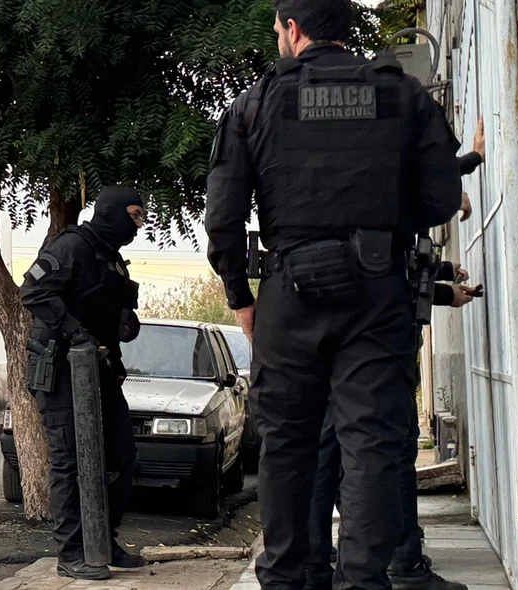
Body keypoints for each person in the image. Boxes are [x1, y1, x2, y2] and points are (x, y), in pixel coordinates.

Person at [203, 0, 463, 588]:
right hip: (376, 289)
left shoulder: (255, 103)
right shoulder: (402, 95)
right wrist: (387, 232)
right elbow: (442, 199)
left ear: (293, 31)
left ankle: (287, 577)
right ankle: (364, 580)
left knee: (287, 444)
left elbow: (223, 216)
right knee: (372, 445)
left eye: (276, 31)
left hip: (287, 294)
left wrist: (240, 296)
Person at [307, 123, 488, 590]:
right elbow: (391, 271)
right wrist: (466, 165)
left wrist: (444, 280)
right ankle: (397, 563)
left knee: (343, 458)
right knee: (379, 457)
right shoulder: (375, 198)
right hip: (375, 353)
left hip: (345, 349)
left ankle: (333, 563)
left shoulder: (339, 197)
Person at [20, 185, 147, 581]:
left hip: (99, 369)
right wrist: (75, 333)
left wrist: (122, 332)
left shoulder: (112, 257)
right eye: (134, 214)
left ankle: (102, 542)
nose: (139, 223)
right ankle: (72, 553)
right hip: (59, 370)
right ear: (109, 213)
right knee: (69, 461)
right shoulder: (72, 245)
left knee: (121, 456)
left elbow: (113, 315)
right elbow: (33, 291)